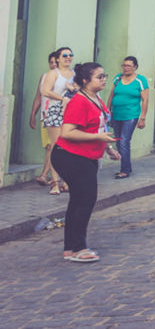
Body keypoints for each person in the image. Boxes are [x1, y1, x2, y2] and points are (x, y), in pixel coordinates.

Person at [51, 62, 120, 262]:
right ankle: (77, 248)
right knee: (85, 199)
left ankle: (70, 248)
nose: (104, 79)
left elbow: (98, 127)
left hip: (87, 156)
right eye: (99, 77)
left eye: (104, 75)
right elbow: (67, 132)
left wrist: (108, 148)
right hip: (70, 156)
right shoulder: (78, 101)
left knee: (79, 200)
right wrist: (99, 139)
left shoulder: (96, 98)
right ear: (84, 81)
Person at [105, 56, 150, 179]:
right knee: (119, 142)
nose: (125, 68)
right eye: (124, 65)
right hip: (116, 115)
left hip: (131, 115)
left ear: (135, 67)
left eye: (128, 66)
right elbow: (111, 95)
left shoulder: (140, 80)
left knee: (124, 141)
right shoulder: (117, 78)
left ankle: (124, 170)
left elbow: (145, 100)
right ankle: (127, 166)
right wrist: (107, 111)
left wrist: (142, 118)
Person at [40, 47, 77, 195]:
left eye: (70, 55)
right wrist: (63, 99)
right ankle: (54, 183)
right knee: (56, 147)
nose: (68, 57)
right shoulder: (53, 73)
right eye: (65, 55)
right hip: (56, 111)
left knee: (70, 147)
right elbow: (45, 91)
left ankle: (66, 181)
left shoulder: (75, 73)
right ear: (58, 58)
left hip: (72, 112)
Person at [29, 51, 61, 186]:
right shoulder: (44, 77)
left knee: (51, 146)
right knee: (48, 146)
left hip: (57, 117)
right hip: (44, 116)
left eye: (55, 62)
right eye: (51, 62)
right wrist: (32, 115)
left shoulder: (63, 78)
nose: (53, 65)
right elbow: (38, 97)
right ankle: (54, 176)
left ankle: (45, 175)